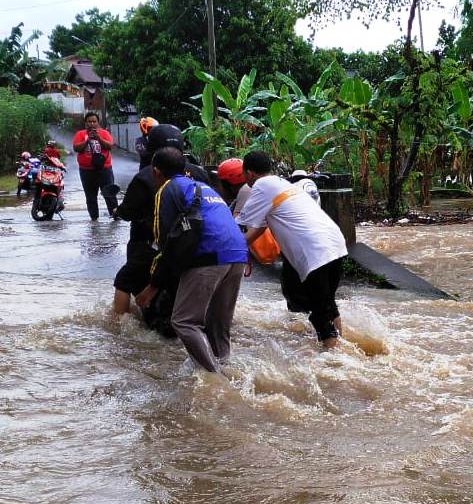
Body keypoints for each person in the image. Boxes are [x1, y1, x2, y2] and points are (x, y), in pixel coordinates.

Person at [134, 147, 248, 373]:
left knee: (184, 322)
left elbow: (166, 242)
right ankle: (227, 369)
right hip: (238, 253)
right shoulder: (205, 187)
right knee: (218, 325)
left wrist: (153, 287)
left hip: (209, 255)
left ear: (156, 172)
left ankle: (215, 379)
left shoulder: (167, 189)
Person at [237, 151, 348, 348]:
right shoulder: (282, 184)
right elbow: (258, 227)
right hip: (335, 243)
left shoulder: (261, 186)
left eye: (244, 175)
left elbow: (240, 224)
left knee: (320, 314)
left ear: (250, 173)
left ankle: (337, 364)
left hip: (315, 251)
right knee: (329, 305)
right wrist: (241, 246)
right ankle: (344, 347)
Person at [111, 124, 210, 332]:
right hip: (195, 244)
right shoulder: (199, 173)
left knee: (123, 280)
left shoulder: (148, 175)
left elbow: (129, 211)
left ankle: (119, 329)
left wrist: (117, 211)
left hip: (153, 244)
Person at [72, 112, 118, 221]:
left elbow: (110, 146)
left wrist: (98, 138)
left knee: (109, 193)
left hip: (104, 169)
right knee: (90, 196)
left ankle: (115, 215)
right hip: (86, 171)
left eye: (94, 121)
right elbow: (76, 148)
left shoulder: (104, 133)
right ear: (85, 123)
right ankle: (94, 219)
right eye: (89, 122)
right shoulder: (80, 134)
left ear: (98, 123)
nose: (92, 124)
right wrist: (87, 140)